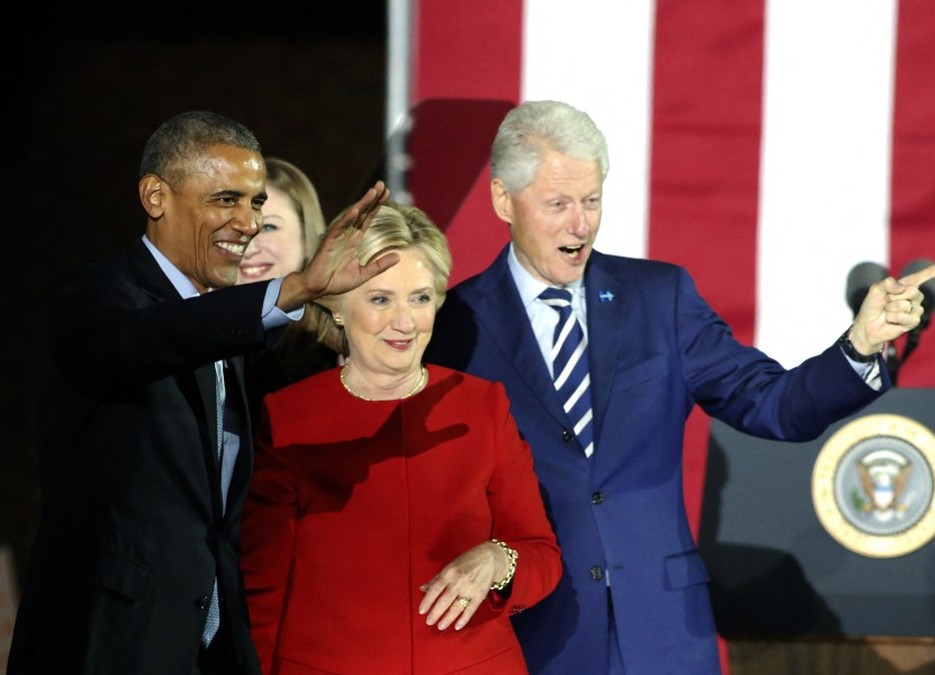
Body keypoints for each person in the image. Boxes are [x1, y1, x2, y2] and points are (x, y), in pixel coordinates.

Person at [424, 99, 935, 674]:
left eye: (592, 201)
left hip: (665, 635)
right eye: (557, 205)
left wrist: (858, 345)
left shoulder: (660, 298)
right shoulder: (456, 326)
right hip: (533, 636)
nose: (579, 225)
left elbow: (773, 405)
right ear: (504, 199)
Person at [6, 110, 397, 675]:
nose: (248, 223)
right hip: (108, 639)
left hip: (210, 639)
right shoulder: (98, 295)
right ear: (156, 196)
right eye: (225, 200)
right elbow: (140, 342)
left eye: (257, 203)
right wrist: (291, 288)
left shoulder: (230, 333)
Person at [239, 203, 563, 675]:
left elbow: (541, 556)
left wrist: (497, 560)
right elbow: (262, 593)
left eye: (419, 298)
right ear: (339, 309)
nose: (405, 322)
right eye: (380, 300)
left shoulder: (483, 406)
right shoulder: (289, 417)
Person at [236, 156, 340, 411]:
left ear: (307, 239)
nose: (248, 247)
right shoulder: (199, 343)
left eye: (269, 227)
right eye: (236, 228)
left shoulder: (336, 348)